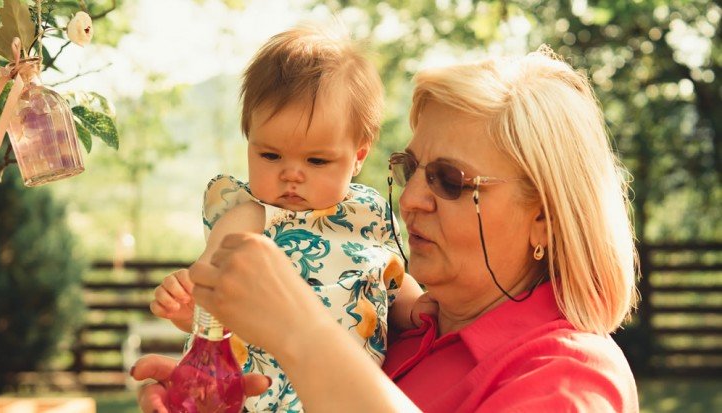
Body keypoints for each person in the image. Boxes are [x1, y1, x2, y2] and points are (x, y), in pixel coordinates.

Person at [134, 46, 640, 412]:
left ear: (544, 219)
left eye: (449, 180)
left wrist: (303, 334)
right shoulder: (391, 330)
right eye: (410, 169)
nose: (414, 200)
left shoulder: (570, 375)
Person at [149, 23, 425, 412]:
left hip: (347, 394)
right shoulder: (249, 217)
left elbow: (392, 281)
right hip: (258, 396)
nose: (291, 174)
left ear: (359, 156)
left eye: (316, 160)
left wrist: (420, 308)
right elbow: (210, 292)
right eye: (270, 155)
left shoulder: (369, 215)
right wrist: (187, 307)